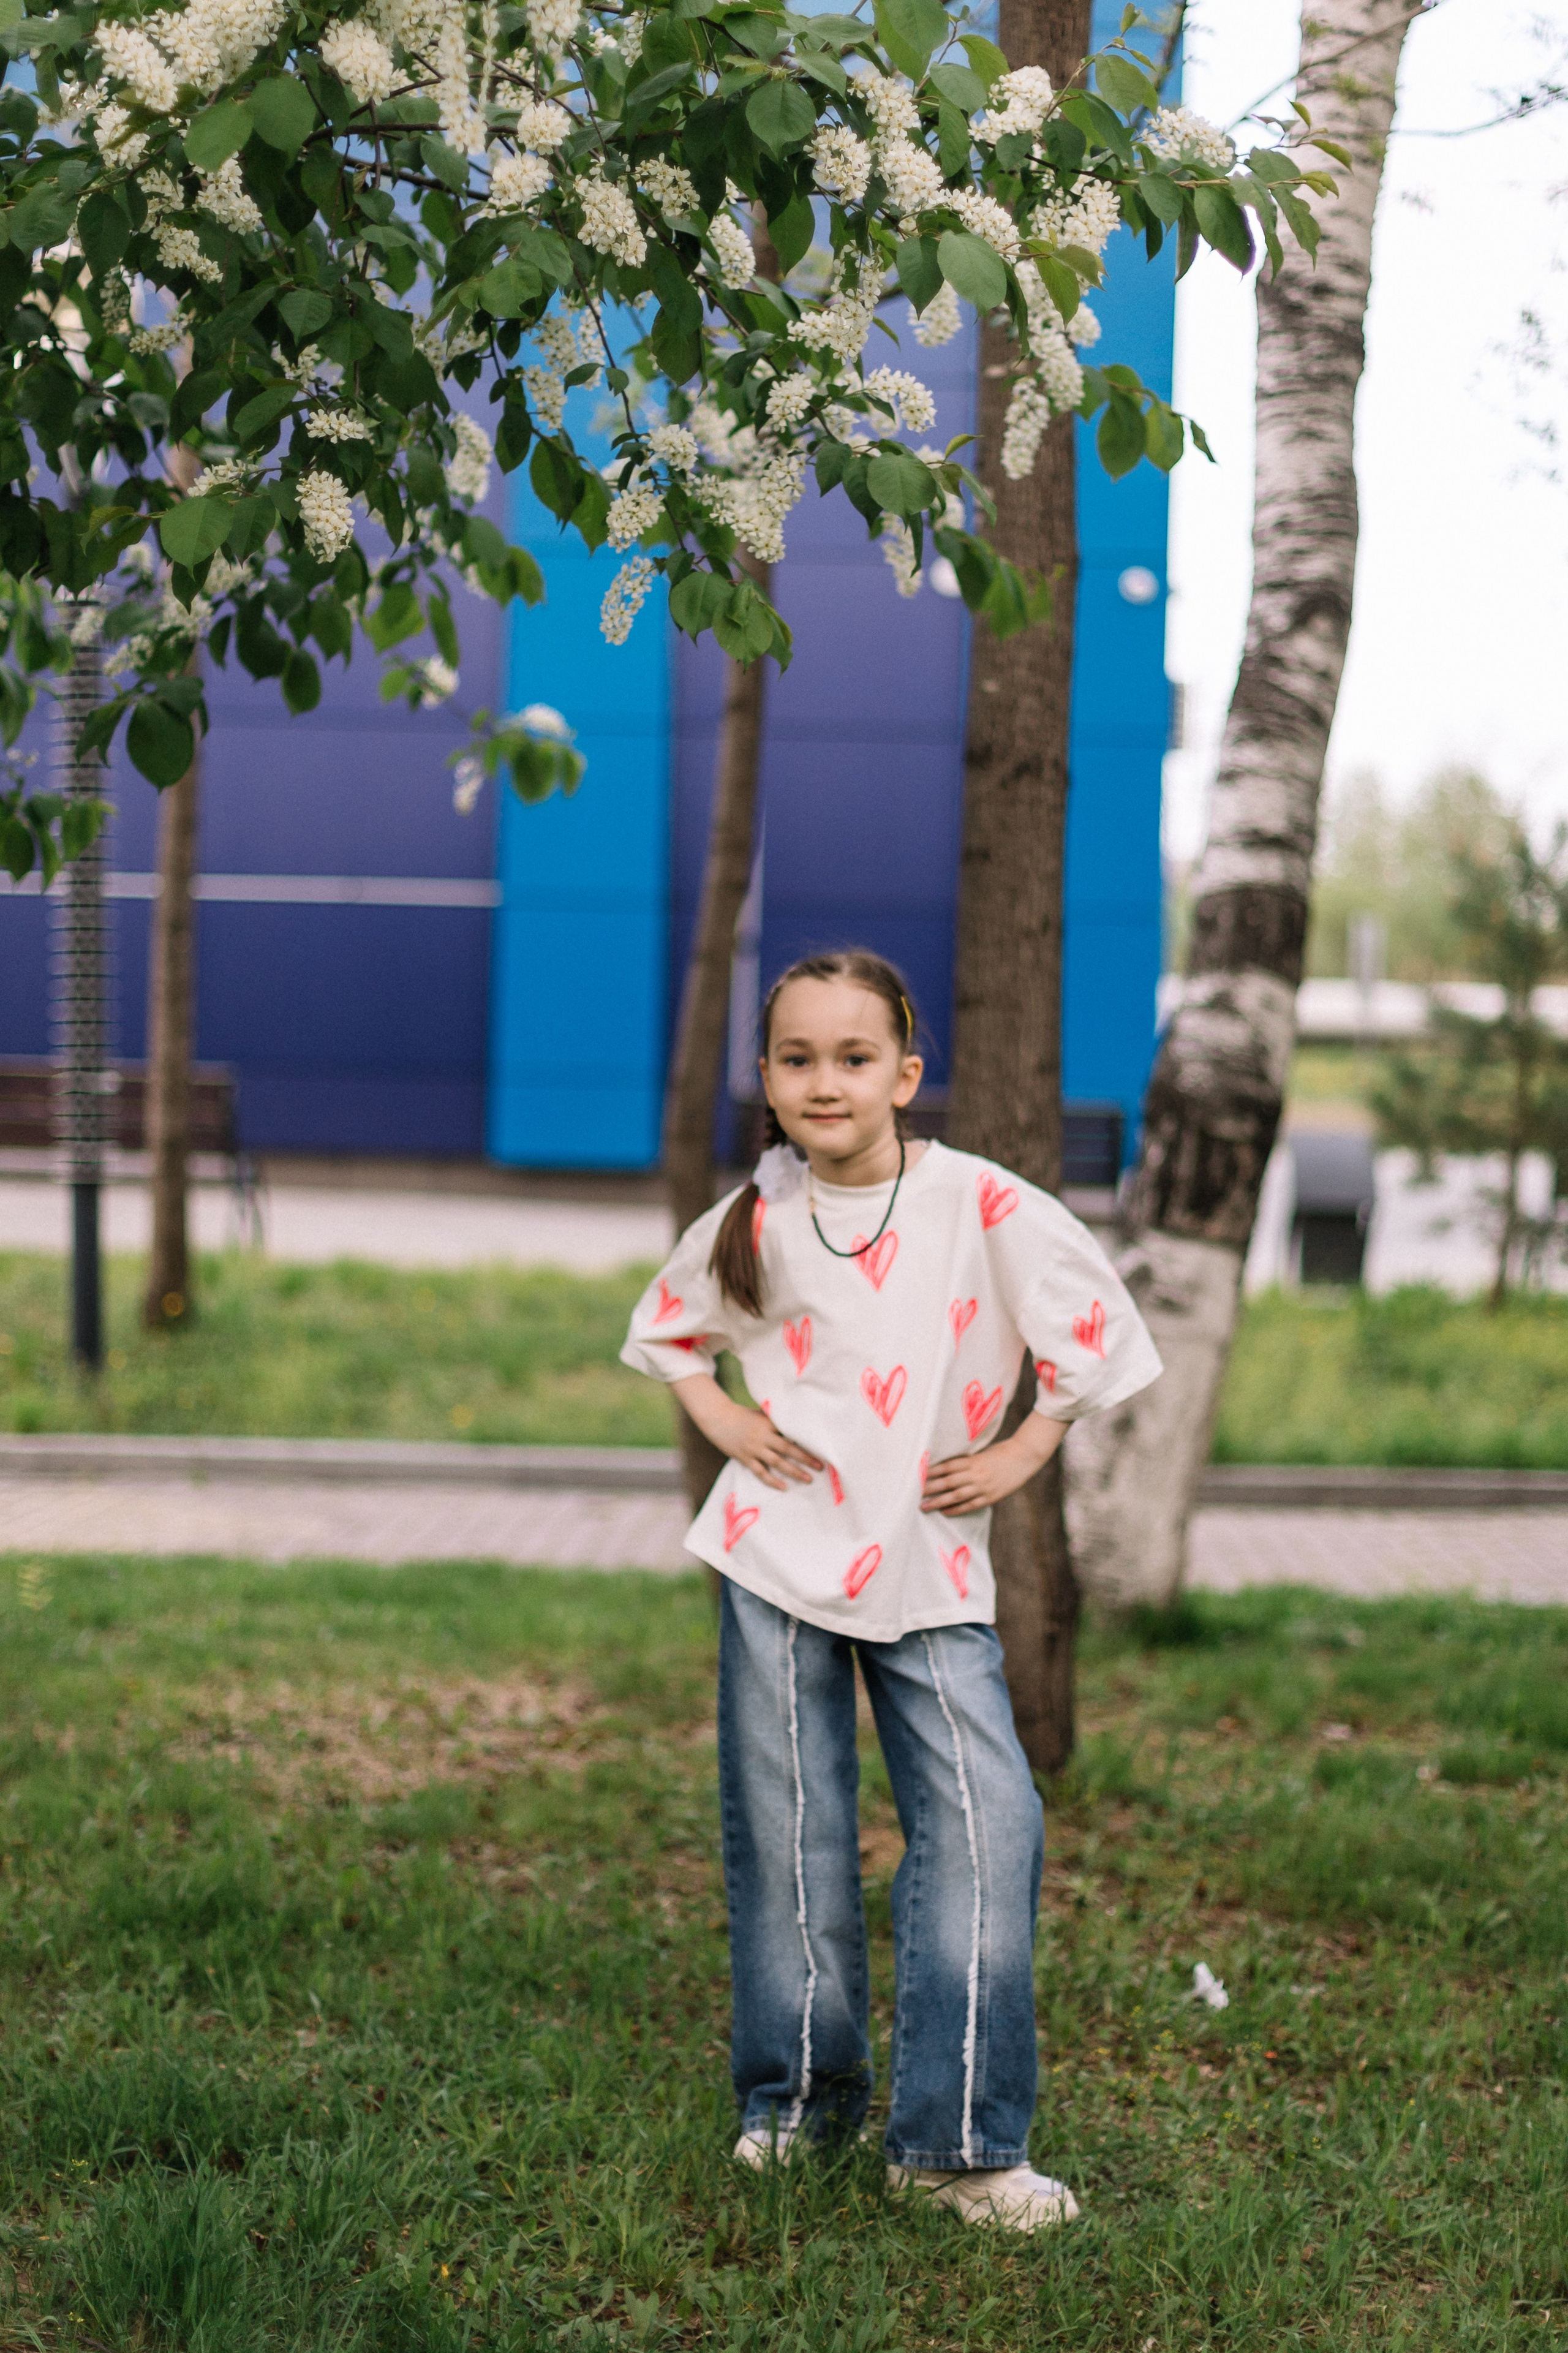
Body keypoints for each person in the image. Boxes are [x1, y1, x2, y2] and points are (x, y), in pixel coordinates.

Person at [621, 950, 1161, 2232]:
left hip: (925, 1565)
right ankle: (796, 2105)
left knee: (988, 1820)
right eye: (796, 1058)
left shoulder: (979, 1204)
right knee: (790, 1829)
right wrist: (725, 1419)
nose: (824, 1081)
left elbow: (1091, 1331)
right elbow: (667, 1330)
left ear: (904, 1075)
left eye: (852, 1057)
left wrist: (1026, 1446)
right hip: (775, 1559)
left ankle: (958, 2143)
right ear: (764, 1077)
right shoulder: (755, 1214)